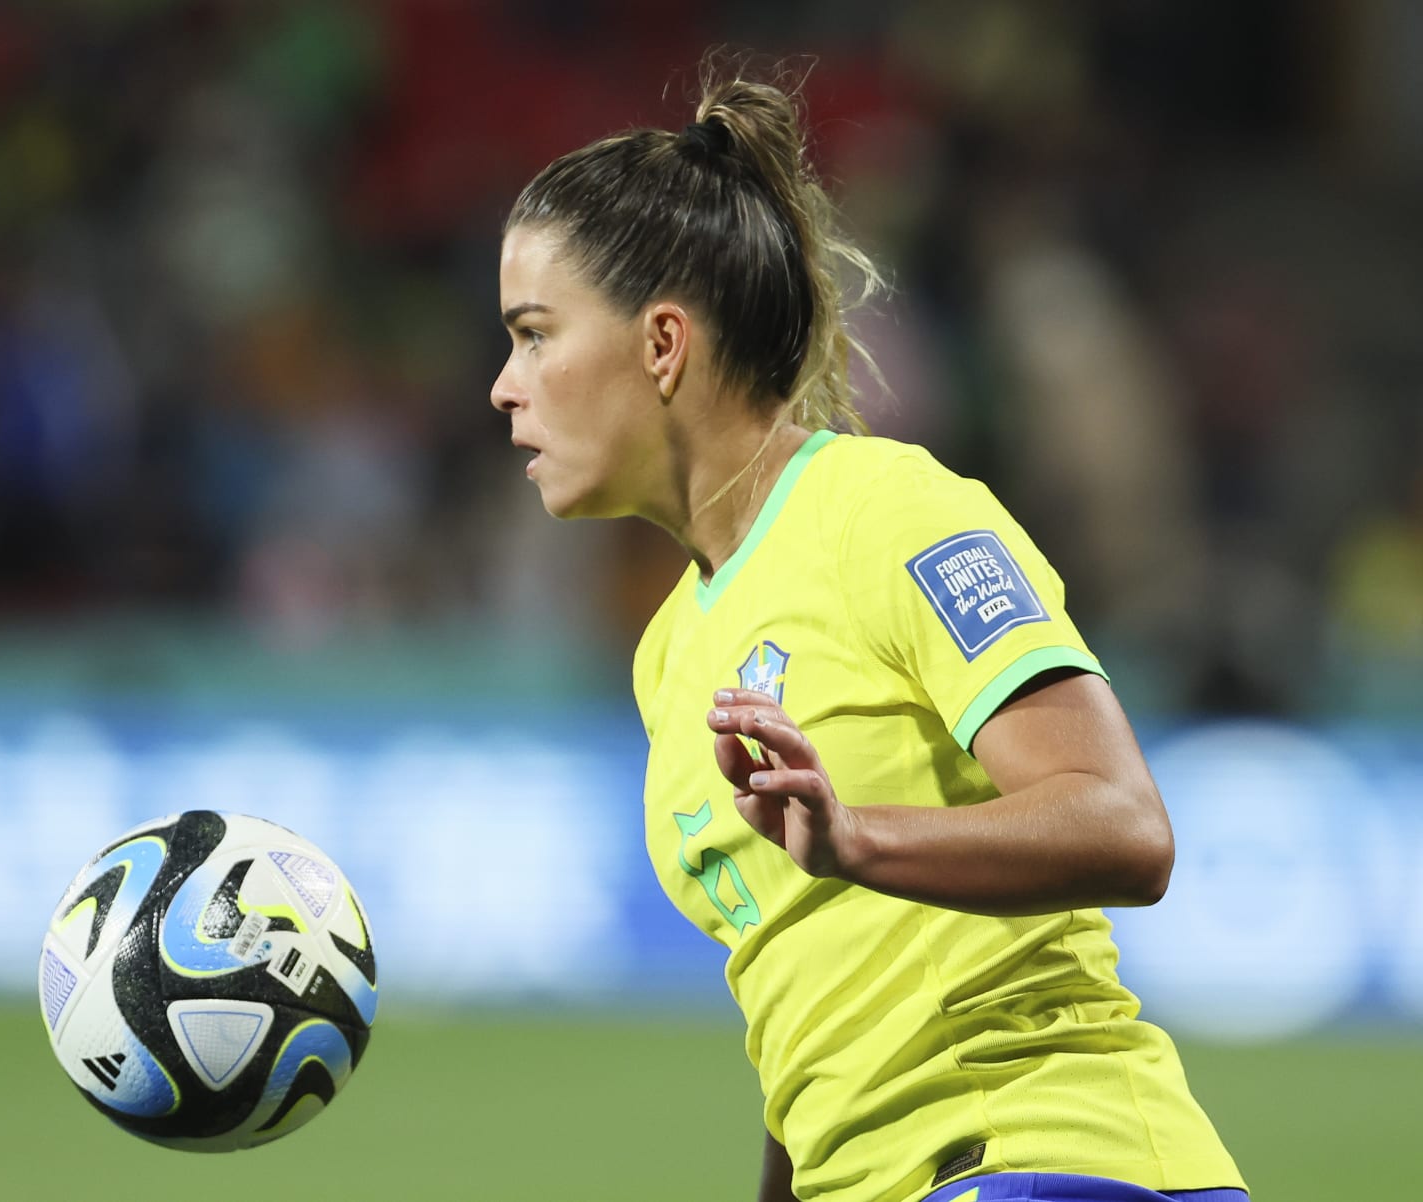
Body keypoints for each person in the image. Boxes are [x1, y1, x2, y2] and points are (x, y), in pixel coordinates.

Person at [488, 57, 1251, 1202]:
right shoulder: (667, 650)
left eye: (535, 334)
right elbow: (811, 1015)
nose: (505, 384)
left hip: (1041, 1156)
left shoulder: (888, 514)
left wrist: (866, 839)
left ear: (661, 344)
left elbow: (1125, 824)